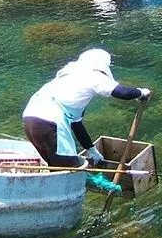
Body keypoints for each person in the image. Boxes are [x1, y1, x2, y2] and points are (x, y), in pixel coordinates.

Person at [22, 49, 152, 168]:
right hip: (48, 121)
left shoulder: (69, 75)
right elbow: (121, 92)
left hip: (30, 118)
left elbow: (77, 125)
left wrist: (92, 150)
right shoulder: (92, 75)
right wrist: (141, 92)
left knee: (54, 164)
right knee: (69, 168)